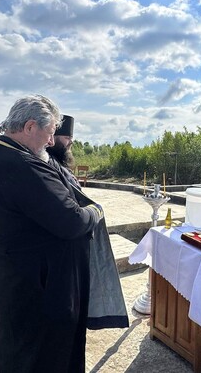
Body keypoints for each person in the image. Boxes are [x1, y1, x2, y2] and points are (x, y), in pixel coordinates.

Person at [0, 96, 105, 372]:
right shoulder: (21, 165)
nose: (52, 142)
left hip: (18, 274)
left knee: (20, 348)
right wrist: (96, 212)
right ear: (30, 127)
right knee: (36, 353)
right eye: (51, 133)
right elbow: (71, 220)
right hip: (36, 284)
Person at [46, 115, 129, 330]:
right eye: (66, 139)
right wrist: (94, 210)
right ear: (52, 138)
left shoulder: (57, 164)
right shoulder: (47, 165)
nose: (70, 144)